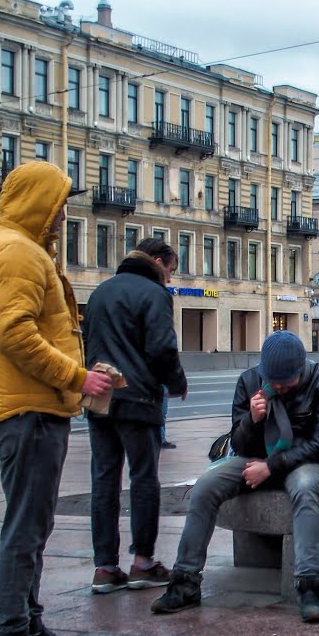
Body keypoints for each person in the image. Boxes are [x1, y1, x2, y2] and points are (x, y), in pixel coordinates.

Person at [0, 161, 115, 636]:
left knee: (32, 523)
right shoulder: (16, 252)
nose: (63, 212)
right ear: (38, 200)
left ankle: (30, 622)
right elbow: (14, 334)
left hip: (26, 407)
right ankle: (13, 631)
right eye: (59, 202)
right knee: (27, 526)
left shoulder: (10, 244)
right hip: (28, 409)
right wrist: (78, 378)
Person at [151, 331, 319, 623]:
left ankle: (310, 586)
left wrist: (271, 468)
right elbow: (240, 446)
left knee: (305, 488)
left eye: (285, 382)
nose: (276, 387)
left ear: (300, 371)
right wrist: (252, 421)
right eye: (272, 380)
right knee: (205, 487)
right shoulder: (250, 381)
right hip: (257, 457)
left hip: (306, 460)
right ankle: (185, 581)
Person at [83, 237, 188, 595]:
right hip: (139, 399)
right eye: (171, 271)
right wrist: (176, 382)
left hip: (100, 397)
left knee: (104, 480)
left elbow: (86, 342)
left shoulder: (101, 292)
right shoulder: (154, 294)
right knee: (144, 478)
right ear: (158, 261)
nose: (170, 279)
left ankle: (105, 567)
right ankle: (143, 563)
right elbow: (162, 347)